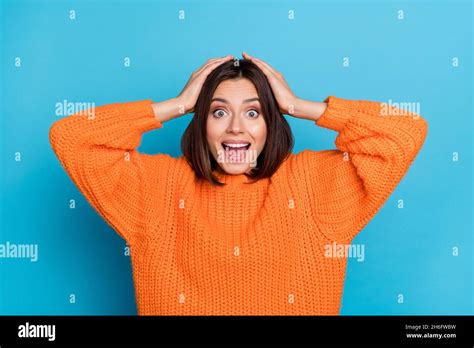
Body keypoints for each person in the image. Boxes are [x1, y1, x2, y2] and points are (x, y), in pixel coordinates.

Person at [49, 53, 428, 315]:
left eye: (253, 112)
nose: (235, 127)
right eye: (217, 111)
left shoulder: (315, 185)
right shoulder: (157, 188)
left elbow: (405, 133)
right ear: (201, 122)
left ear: (271, 123)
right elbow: (70, 137)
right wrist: (177, 104)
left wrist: (299, 105)